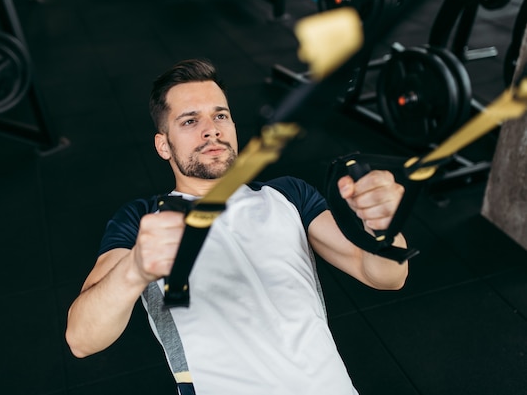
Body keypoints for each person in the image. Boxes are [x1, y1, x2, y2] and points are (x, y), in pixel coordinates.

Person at [65, 58, 409, 395]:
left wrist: (383, 227)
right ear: (163, 145)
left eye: (220, 115)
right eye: (189, 121)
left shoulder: (288, 195)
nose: (211, 128)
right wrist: (135, 270)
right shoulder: (144, 221)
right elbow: (82, 339)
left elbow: (385, 276)